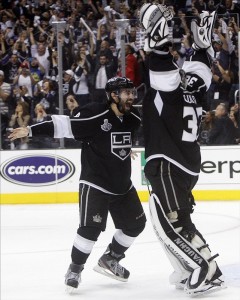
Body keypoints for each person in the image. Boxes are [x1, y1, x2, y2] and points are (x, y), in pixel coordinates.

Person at [8, 76, 146, 290]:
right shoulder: (95, 113)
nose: (131, 97)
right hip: (95, 182)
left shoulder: (133, 118)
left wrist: (125, 151)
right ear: (113, 95)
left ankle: (111, 258)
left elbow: (118, 140)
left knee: (136, 224)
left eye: (132, 93)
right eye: (126, 93)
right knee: (90, 229)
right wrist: (31, 130)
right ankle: (75, 269)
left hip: (122, 184)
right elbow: (64, 125)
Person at [139, 3, 225, 297]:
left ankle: (203, 269)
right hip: (188, 163)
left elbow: (161, 63)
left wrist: (159, 40)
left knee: (170, 222)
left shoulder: (168, 88)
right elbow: (201, 65)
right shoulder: (196, 87)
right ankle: (196, 267)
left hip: (167, 162)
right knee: (178, 219)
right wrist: (202, 46)